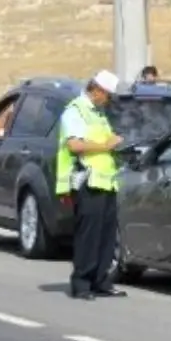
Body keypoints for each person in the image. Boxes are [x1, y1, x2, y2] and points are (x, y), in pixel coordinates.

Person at [55, 70, 127, 301]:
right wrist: (107, 145)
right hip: (87, 181)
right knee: (89, 235)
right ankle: (82, 283)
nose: (109, 100)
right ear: (97, 90)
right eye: (108, 95)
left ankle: (100, 280)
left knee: (106, 236)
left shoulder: (98, 113)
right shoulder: (75, 111)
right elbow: (75, 145)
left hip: (106, 181)